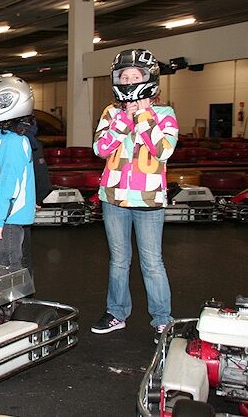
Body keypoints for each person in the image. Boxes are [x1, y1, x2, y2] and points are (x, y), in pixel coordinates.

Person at [90, 49, 178, 343]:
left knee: (152, 262)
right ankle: (116, 313)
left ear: (148, 78)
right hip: (114, 197)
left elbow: (163, 151)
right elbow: (100, 149)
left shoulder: (165, 114)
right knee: (119, 260)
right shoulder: (110, 112)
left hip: (149, 199)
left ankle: (163, 320)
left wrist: (141, 115)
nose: (128, 81)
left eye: (135, 76)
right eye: (124, 76)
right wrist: (123, 120)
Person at [0, 76, 36, 268]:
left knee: (7, 266)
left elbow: (8, 186)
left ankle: (12, 299)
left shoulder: (13, 143)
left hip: (9, 218)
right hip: (3, 216)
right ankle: (1, 298)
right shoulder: (2, 139)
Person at [15, 115, 52, 278]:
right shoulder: (11, 142)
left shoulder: (30, 145)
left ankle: (21, 293)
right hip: (19, 206)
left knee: (19, 252)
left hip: (19, 208)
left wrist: (34, 199)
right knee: (19, 251)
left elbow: (42, 180)